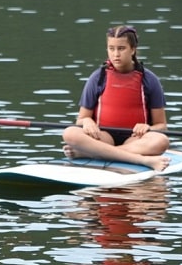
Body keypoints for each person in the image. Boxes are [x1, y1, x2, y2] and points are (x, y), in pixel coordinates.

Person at [62, 24, 170, 170]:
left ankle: (93, 153)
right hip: (103, 137)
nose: (115, 54)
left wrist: (148, 127)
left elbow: (161, 126)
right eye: (111, 48)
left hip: (135, 140)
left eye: (121, 48)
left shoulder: (149, 79)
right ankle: (142, 160)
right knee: (70, 133)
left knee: (161, 140)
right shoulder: (98, 77)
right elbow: (81, 119)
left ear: (133, 49)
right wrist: (87, 121)